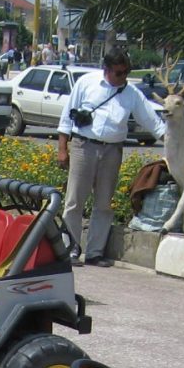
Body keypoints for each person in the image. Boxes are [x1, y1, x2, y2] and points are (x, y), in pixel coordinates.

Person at [56, 46, 166, 267]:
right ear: (106, 69)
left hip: (112, 151)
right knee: (75, 200)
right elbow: (66, 118)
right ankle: (70, 249)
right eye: (119, 73)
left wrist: (173, 142)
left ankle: (95, 252)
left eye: (126, 72)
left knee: (104, 203)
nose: (123, 77)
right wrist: (62, 149)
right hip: (84, 146)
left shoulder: (131, 93)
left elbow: (152, 121)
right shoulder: (86, 83)